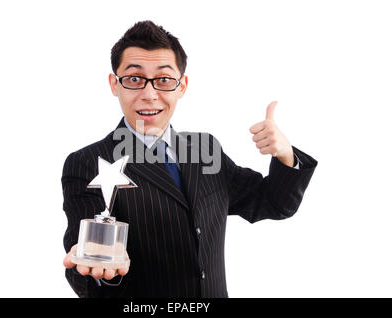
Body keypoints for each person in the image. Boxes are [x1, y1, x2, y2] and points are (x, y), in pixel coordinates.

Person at [61, 20, 318, 298]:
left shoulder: (204, 149)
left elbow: (274, 204)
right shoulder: (87, 163)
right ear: (115, 84)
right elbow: (86, 262)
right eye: (134, 79)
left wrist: (285, 154)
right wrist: (98, 273)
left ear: (181, 86)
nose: (149, 94)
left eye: (163, 80)